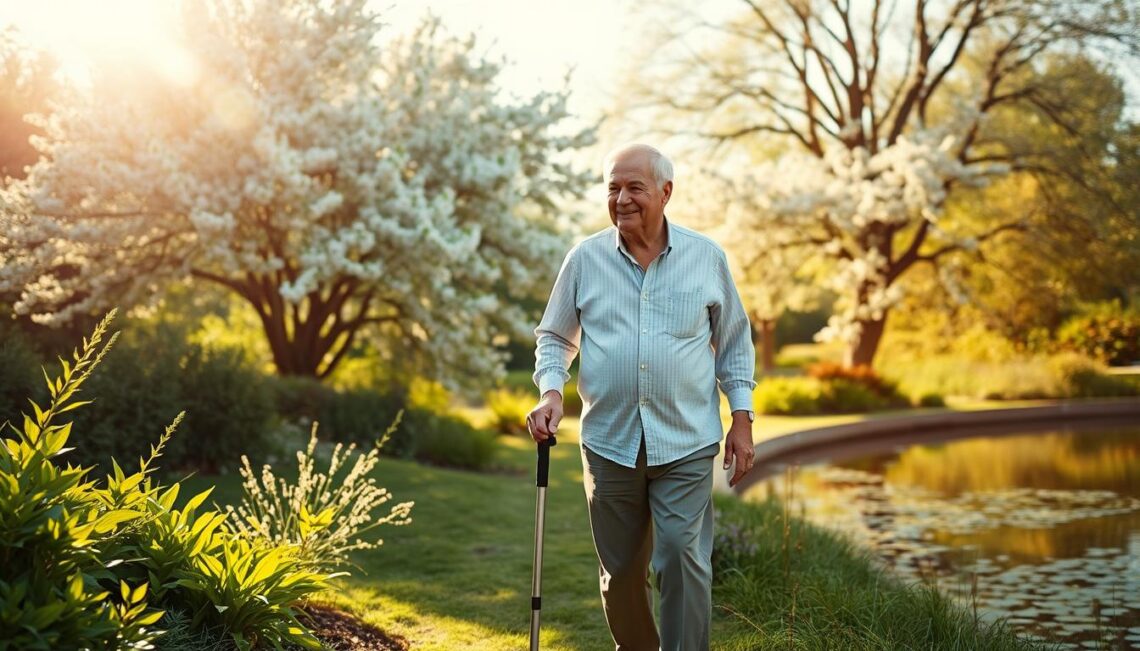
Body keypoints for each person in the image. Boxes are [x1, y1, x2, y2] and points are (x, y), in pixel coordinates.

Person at [527, 143, 757, 651]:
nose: (622, 198)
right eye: (613, 188)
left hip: (686, 440)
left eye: (635, 187)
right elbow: (556, 337)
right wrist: (551, 392)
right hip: (609, 442)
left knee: (680, 558)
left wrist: (741, 419)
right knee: (622, 575)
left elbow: (735, 343)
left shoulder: (705, 258)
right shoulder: (584, 259)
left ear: (666, 192)